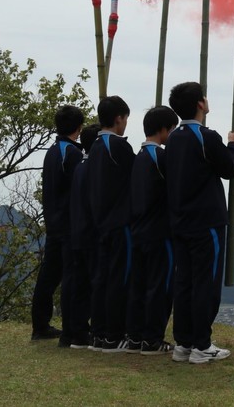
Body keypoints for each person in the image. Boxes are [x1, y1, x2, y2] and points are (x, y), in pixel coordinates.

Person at [166, 82, 234, 364]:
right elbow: (228, 168)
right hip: (206, 223)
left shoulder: (173, 138)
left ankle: (183, 343)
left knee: (184, 282)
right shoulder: (205, 136)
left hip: (180, 222)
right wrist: (233, 143)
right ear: (200, 104)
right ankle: (202, 345)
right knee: (206, 284)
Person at [127, 106, 179, 355]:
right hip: (160, 233)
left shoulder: (138, 157)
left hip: (138, 231)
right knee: (161, 286)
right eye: (172, 130)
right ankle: (153, 339)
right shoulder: (160, 157)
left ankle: (136, 336)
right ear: (163, 130)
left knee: (139, 285)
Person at [32, 105, 84, 342]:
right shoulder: (71, 153)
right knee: (71, 276)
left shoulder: (53, 150)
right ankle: (72, 328)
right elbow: (78, 188)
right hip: (68, 224)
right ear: (79, 127)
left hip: (52, 221)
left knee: (49, 276)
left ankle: (40, 325)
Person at [88, 95, 134, 353]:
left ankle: (99, 333)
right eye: (126, 118)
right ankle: (116, 334)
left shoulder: (95, 146)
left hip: (100, 223)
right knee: (120, 278)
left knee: (102, 277)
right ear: (119, 118)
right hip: (121, 223)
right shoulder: (118, 146)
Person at [67, 123, 101, 349]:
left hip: (77, 231)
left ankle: (78, 330)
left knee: (81, 285)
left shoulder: (80, 166)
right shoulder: (93, 169)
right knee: (94, 283)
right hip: (91, 234)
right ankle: (90, 330)